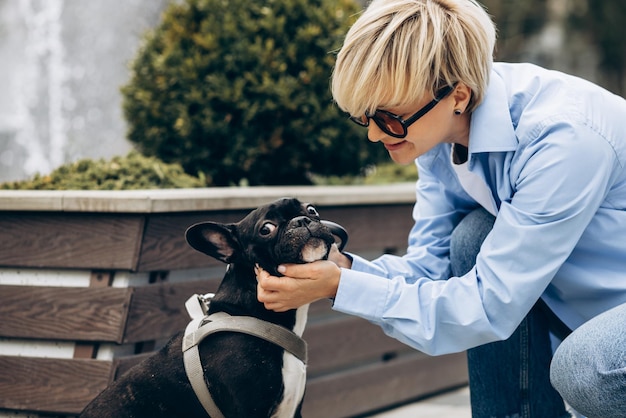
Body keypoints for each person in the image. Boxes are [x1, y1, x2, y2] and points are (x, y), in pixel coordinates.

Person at [255, 0, 626, 416]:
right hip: (583, 313)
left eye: (391, 118)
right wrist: (344, 270)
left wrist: (337, 287)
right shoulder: (440, 143)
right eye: (365, 117)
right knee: (473, 237)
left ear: (458, 96)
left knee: (586, 367)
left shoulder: (562, 139)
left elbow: (487, 306)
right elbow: (428, 271)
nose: (376, 135)